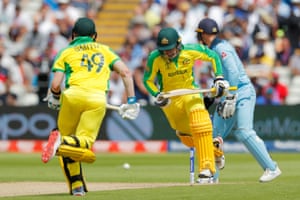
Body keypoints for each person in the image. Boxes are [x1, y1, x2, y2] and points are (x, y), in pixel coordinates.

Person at [41, 17, 140, 196]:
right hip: (96, 100)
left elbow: (55, 85)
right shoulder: (105, 50)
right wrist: (131, 100)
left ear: (73, 35)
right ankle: (62, 142)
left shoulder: (65, 52)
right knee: (84, 142)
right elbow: (125, 72)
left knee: (67, 143)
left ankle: (77, 185)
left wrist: (55, 98)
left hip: (72, 97)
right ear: (95, 35)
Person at [195, 17, 281, 182]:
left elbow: (233, 73)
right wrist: (212, 98)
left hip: (242, 93)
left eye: (199, 34)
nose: (198, 38)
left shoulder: (221, 48)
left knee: (243, 131)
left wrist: (230, 97)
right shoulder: (214, 49)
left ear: (204, 34)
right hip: (229, 95)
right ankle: (212, 175)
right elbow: (223, 79)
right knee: (213, 135)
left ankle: (272, 167)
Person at [143, 27, 229, 183]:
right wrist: (157, 95)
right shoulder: (155, 57)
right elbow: (147, 80)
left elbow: (213, 56)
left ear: (178, 43)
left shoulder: (190, 50)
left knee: (200, 123)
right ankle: (215, 149)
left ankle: (206, 169)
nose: (167, 53)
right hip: (170, 99)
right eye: (164, 50)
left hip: (190, 92)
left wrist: (219, 78)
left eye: (170, 49)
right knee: (185, 136)